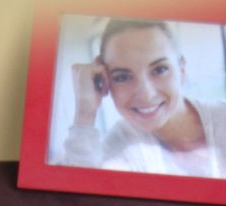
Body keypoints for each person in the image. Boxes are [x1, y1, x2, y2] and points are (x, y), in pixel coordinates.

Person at [63, 18, 226, 177]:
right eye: (122, 77)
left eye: (160, 69)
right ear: (104, 81)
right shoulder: (120, 145)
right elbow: (75, 196)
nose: (146, 94)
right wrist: (85, 113)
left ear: (181, 70)